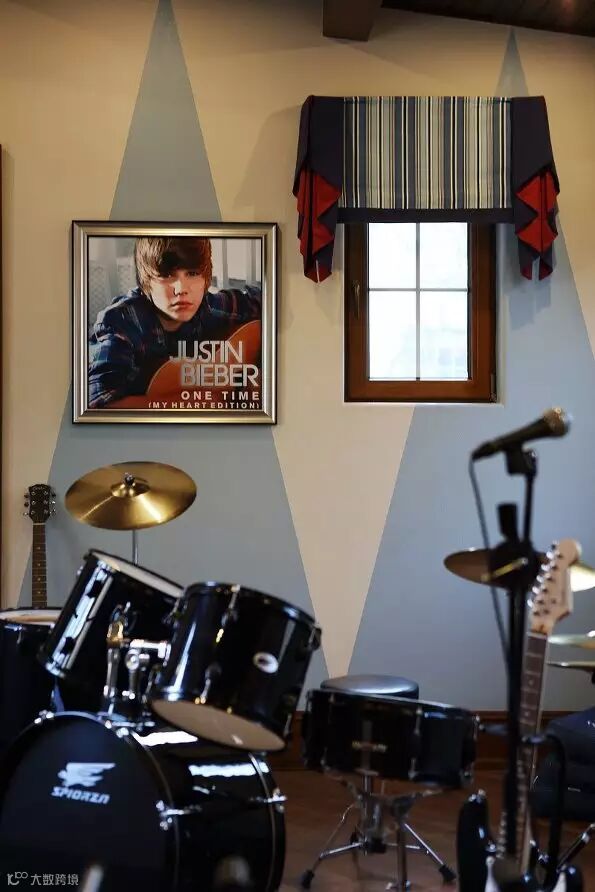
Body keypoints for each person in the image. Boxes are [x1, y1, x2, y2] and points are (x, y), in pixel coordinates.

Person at [88, 236, 261, 408]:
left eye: (192, 273)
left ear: (205, 279)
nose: (181, 289)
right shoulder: (120, 322)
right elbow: (99, 405)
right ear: (146, 281)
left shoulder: (208, 306)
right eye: (167, 275)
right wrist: (193, 404)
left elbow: (266, 300)